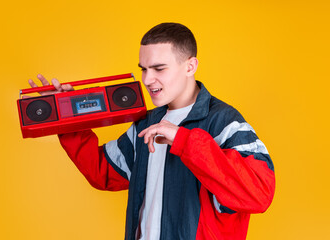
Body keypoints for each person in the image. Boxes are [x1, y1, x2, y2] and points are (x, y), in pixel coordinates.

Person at [28, 22, 275, 240]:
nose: (146, 79)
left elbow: (259, 194)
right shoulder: (146, 123)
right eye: (144, 69)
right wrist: (64, 115)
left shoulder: (225, 123)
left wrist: (184, 140)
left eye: (159, 68)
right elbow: (102, 171)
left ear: (190, 66)